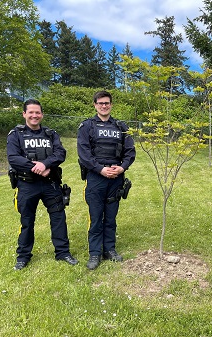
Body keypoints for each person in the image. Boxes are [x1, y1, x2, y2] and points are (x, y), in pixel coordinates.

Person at [7, 99, 78, 270]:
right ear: (24, 114)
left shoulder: (50, 134)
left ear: (42, 114)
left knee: (59, 218)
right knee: (27, 221)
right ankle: (23, 256)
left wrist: (45, 164)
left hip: (50, 183)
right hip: (26, 185)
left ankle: (63, 252)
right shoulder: (15, 134)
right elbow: (13, 158)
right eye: (30, 112)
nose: (34, 115)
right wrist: (37, 167)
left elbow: (60, 153)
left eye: (37, 112)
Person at [77, 90, 136, 270]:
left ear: (111, 105)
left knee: (111, 217)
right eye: (101, 103)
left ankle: (109, 249)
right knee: (96, 217)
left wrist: (122, 167)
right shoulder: (87, 126)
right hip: (96, 177)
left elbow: (130, 151)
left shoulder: (121, 126)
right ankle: (94, 253)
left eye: (107, 103)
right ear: (95, 105)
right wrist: (100, 169)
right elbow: (84, 153)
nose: (104, 106)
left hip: (116, 178)